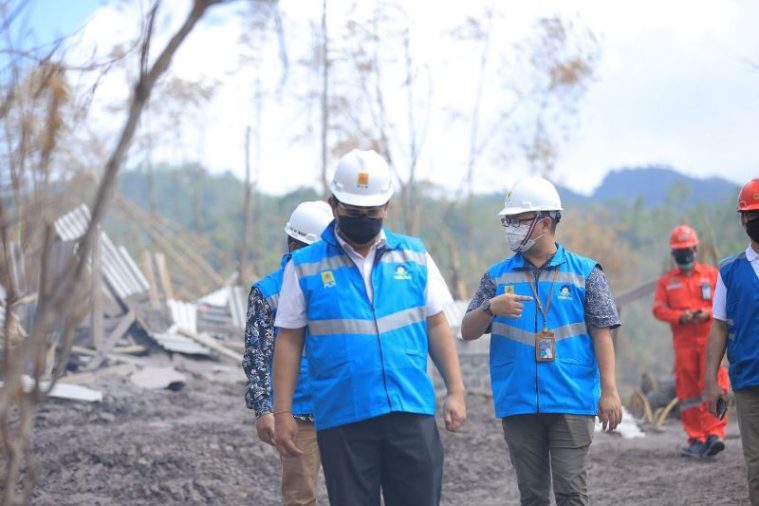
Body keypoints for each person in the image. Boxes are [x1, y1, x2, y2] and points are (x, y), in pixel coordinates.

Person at [271, 149, 467, 506]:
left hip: (410, 409)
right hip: (344, 414)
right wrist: (282, 413)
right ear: (334, 205)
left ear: (387, 207)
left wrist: (455, 389)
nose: (363, 219)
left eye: (371, 212)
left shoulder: (414, 256)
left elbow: (436, 323)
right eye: (353, 212)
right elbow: (288, 340)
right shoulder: (303, 266)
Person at [460, 176, 623, 506]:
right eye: (507, 222)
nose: (509, 228)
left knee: (571, 493)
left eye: (516, 221)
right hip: (518, 401)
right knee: (532, 496)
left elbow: (602, 333)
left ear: (544, 222)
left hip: (571, 400)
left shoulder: (587, 273)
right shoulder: (496, 277)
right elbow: (467, 330)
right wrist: (490, 308)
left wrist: (609, 391)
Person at [242, 200, 333, 506]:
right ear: (294, 244)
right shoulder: (269, 292)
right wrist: (263, 409)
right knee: (299, 498)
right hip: (297, 414)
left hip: (343, 408)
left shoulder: (336, 285)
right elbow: (257, 356)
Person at [652, 224, 729, 458]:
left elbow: (723, 303)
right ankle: (696, 439)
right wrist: (681, 317)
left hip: (710, 343)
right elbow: (658, 309)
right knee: (689, 394)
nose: (684, 255)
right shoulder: (667, 282)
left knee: (714, 384)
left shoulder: (711, 275)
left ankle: (714, 434)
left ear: (695, 249)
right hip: (684, 345)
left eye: (687, 249)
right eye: (679, 251)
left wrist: (706, 312)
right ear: (673, 254)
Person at [705, 177, 759, 504]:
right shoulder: (730, 272)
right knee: (756, 464)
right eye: (755, 216)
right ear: (743, 220)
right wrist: (711, 380)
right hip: (749, 381)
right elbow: (719, 328)